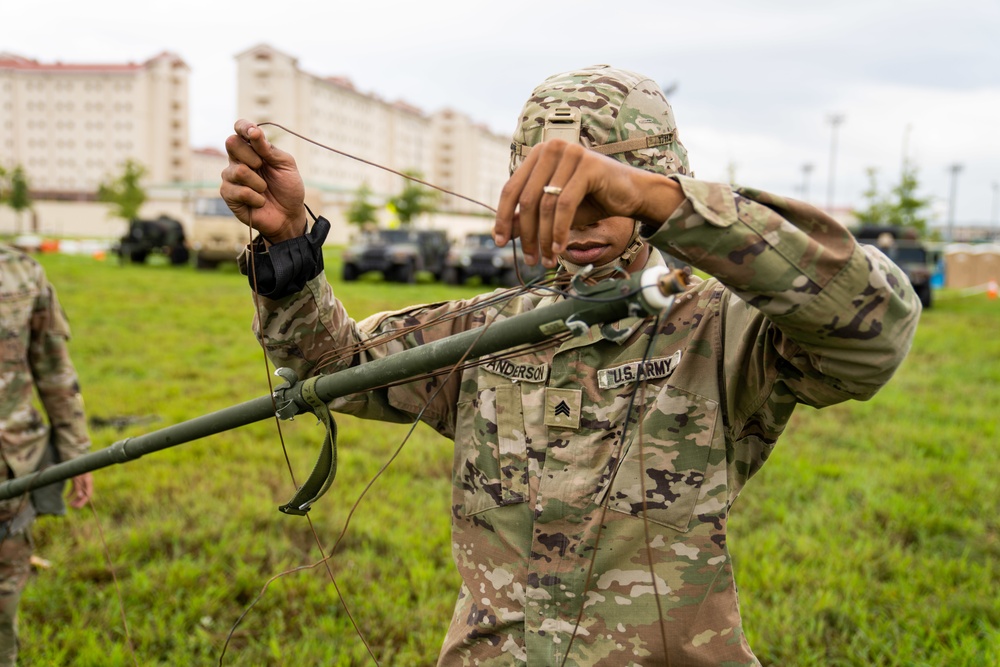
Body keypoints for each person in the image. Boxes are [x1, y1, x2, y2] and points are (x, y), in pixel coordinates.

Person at [221, 65, 920, 666]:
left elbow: (874, 324)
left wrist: (665, 205)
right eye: (552, 193)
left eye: (602, 193)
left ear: (659, 180)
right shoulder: (485, 329)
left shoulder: (722, 327)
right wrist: (288, 250)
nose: (578, 219)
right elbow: (332, 364)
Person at [0, 243, 94, 666]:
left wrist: (77, 454)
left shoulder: (21, 271)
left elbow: (53, 367)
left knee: (3, 601)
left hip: (9, 475)